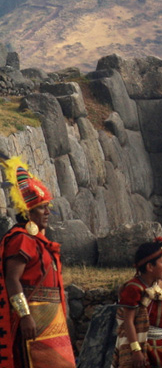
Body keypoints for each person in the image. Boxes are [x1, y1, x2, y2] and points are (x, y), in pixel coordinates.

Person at [0, 155, 74, 367]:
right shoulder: (21, 239)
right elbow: (12, 279)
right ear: (28, 212)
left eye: (47, 206)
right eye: (42, 207)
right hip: (33, 317)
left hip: (52, 321)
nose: (47, 212)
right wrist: (25, 315)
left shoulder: (39, 241)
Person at [113, 238, 162, 368]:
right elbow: (128, 321)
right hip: (141, 345)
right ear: (150, 267)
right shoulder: (133, 288)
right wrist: (136, 350)